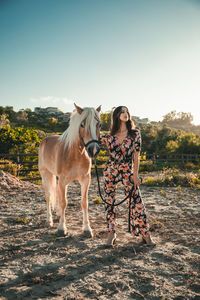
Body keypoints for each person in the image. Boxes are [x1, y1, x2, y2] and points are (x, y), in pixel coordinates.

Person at [100, 106, 155, 246]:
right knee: (109, 202)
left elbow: (136, 157)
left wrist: (135, 175)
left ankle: (145, 234)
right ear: (117, 116)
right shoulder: (109, 136)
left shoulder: (135, 134)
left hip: (127, 170)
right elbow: (91, 141)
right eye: (122, 112)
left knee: (136, 200)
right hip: (110, 170)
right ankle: (111, 234)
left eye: (127, 112)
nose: (125, 114)